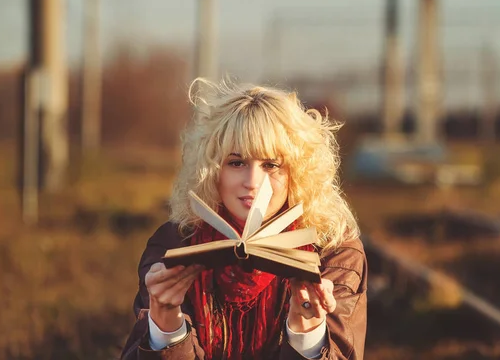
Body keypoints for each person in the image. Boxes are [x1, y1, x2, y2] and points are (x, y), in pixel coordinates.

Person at [120, 78, 368, 360]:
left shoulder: (335, 253)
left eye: (271, 165)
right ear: (212, 170)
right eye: (236, 163)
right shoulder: (175, 244)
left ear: (297, 173)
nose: (252, 182)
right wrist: (166, 329)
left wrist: (306, 335)